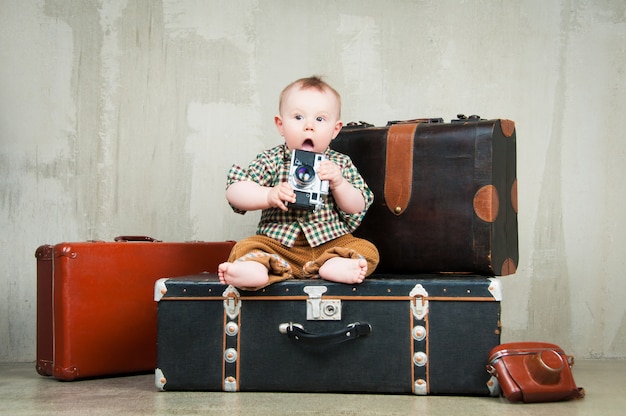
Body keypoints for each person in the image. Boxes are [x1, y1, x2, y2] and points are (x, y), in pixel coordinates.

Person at [218, 76, 379, 290]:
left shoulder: (339, 163)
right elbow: (235, 190)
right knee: (246, 247)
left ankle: (332, 265)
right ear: (280, 125)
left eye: (320, 119)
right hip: (279, 245)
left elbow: (358, 205)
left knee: (368, 250)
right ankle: (256, 270)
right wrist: (267, 195)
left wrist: (339, 183)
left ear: (335, 129)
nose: (309, 127)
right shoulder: (272, 160)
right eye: (298, 117)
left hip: (329, 244)